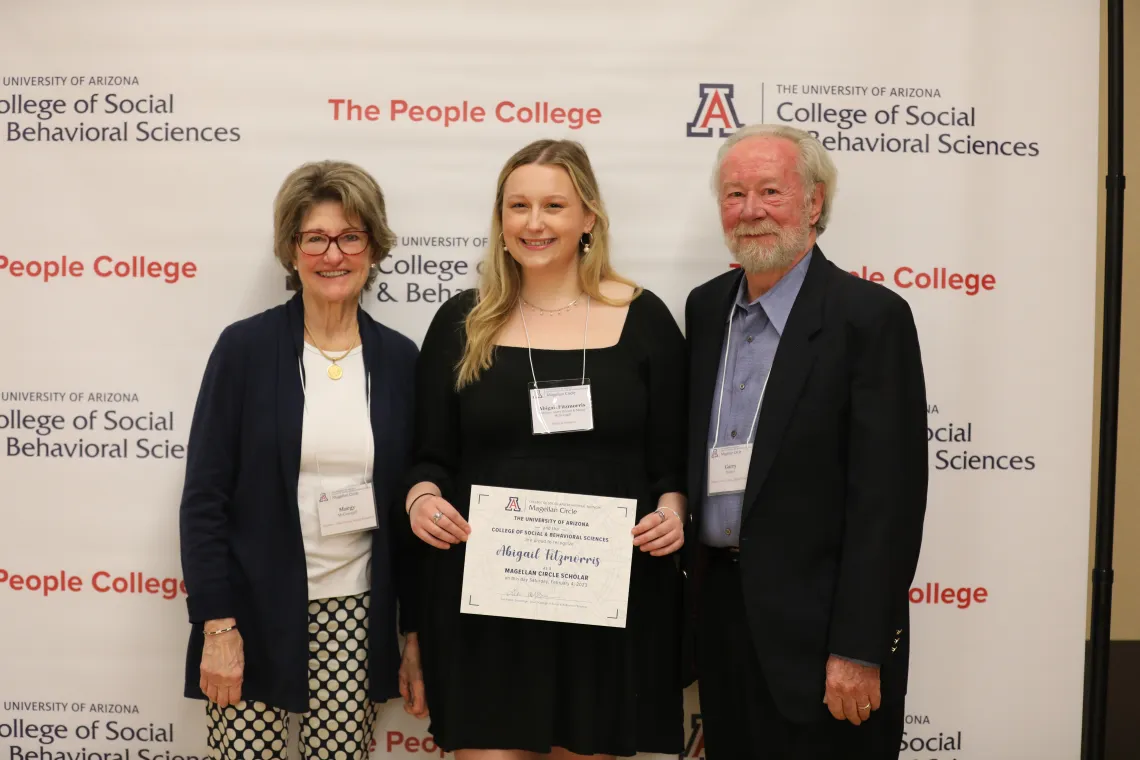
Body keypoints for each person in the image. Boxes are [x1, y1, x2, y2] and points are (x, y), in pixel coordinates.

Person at [400, 139, 688, 759]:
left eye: (554, 205)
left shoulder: (644, 320)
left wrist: (674, 510)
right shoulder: (461, 322)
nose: (534, 222)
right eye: (518, 205)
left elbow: (672, 465)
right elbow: (428, 458)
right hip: (486, 607)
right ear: (500, 222)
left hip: (606, 599)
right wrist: (421, 499)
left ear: (588, 218)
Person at [682, 124, 929, 759]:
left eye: (771, 191)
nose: (751, 210)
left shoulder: (869, 319)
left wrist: (858, 647)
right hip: (724, 623)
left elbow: (887, 504)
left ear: (814, 203)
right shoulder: (706, 310)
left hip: (825, 641)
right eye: (734, 194)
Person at [178, 160, 425, 760]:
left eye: (350, 236)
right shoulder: (245, 349)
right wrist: (216, 626)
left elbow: (407, 512)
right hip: (250, 613)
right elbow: (204, 499)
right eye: (315, 238)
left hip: (354, 611)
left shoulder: (399, 360)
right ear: (292, 251)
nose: (333, 254)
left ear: (373, 246)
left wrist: (413, 634)